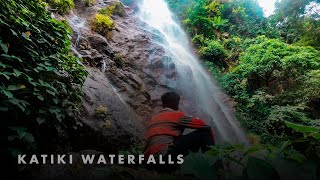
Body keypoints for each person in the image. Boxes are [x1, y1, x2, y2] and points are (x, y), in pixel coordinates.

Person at [144, 92, 215, 171]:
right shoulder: (177, 115)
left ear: (163, 104)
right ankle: (217, 168)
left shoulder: (153, 118)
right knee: (204, 133)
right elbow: (205, 126)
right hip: (164, 158)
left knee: (178, 139)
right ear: (176, 104)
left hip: (149, 162)